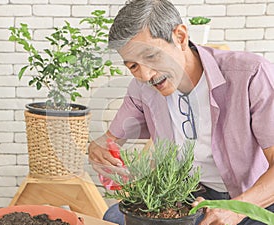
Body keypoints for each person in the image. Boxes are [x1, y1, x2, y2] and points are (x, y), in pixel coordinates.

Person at [88, 0, 274, 224]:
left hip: (253, 198)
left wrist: (235, 210)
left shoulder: (251, 74)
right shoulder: (142, 89)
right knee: (115, 217)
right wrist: (98, 149)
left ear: (180, 37)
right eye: (133, 66)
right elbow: (107, 141)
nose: (146, 75)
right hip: (187, 198)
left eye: (151, 56)